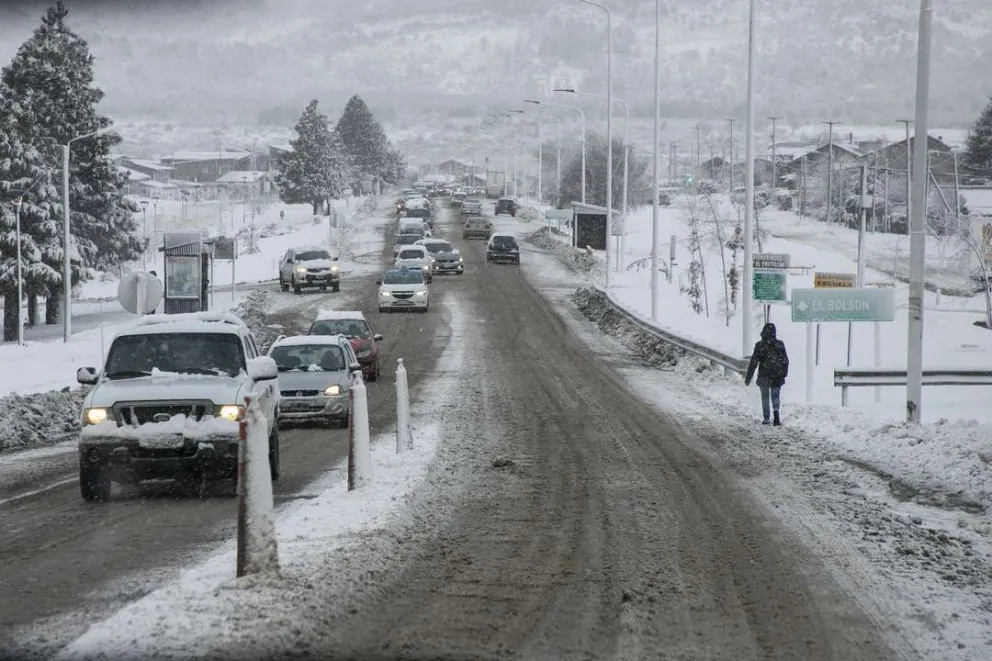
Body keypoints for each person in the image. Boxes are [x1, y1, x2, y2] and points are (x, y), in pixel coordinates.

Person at [744, 322, 789, 426]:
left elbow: (754, 362)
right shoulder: (780, 344)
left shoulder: (760, 345)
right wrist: (784, 373)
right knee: (775, 396)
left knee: (765, 397)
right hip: (777, 375)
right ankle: (776, 410)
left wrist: (748, 377)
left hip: (764, 374)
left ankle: (766, 418)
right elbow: (785, 360)